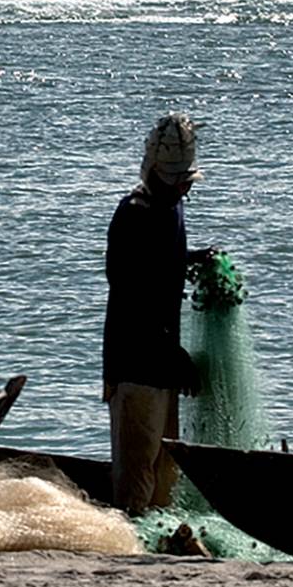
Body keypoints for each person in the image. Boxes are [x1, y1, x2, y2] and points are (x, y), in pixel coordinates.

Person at [103, 112, 212, 516]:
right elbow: (130, 293)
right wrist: (173, 354)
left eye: (186, 182)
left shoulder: (171, 207)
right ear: (154, 174)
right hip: (135, 366)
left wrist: (193, 258)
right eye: (177, 181)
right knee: (136, 477)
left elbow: (162, 262)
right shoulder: (134, 214)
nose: (183, 188)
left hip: (162, 364)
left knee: (164, 472)